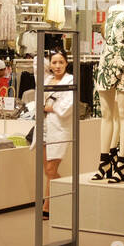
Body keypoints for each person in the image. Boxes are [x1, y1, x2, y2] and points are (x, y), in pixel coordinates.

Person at [40, 50, 74, 219]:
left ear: (66, 63)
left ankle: (47, 206)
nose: (58, 66)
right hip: (45, 127)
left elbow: (67, 106)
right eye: (54, 62)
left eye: (61, 62)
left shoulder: (71, 80)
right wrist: (47, 106)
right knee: (47, 170)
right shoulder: (47, 80)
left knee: (51, 168)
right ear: (50, 65)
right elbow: (40, 102)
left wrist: (49, 107)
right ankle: (61, 196)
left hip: (60, 129)